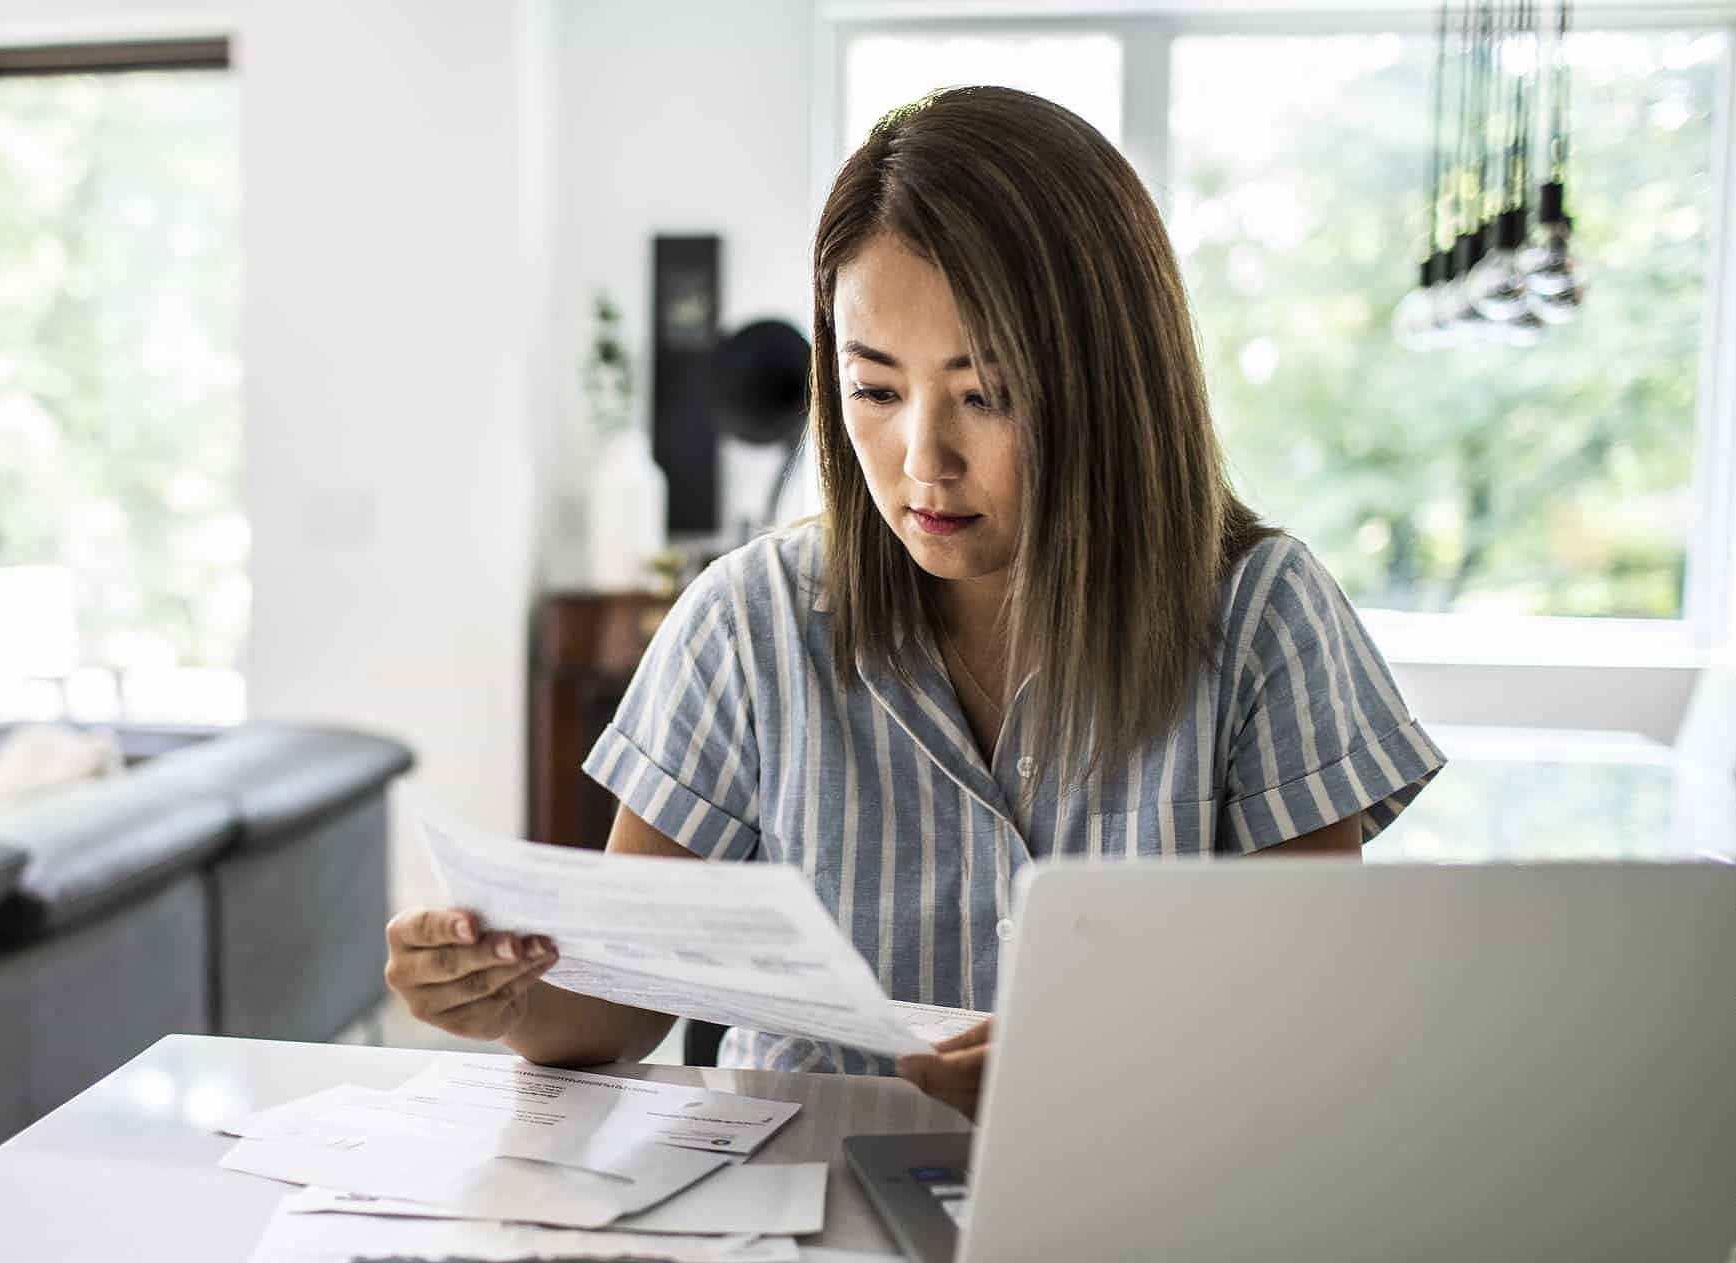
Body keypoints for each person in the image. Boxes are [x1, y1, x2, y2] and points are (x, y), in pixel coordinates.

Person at [384, 86, 1445, 1119]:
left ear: (1111, 384)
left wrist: (1098, 1057)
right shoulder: (750, 621)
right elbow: (616, 1008)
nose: (920, 460)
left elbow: (1316, 1020)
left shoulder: (1263, 618)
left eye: (988, 395)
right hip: (795, 1225)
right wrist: (509, 993)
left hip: (1137, 1208)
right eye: (875, 390)